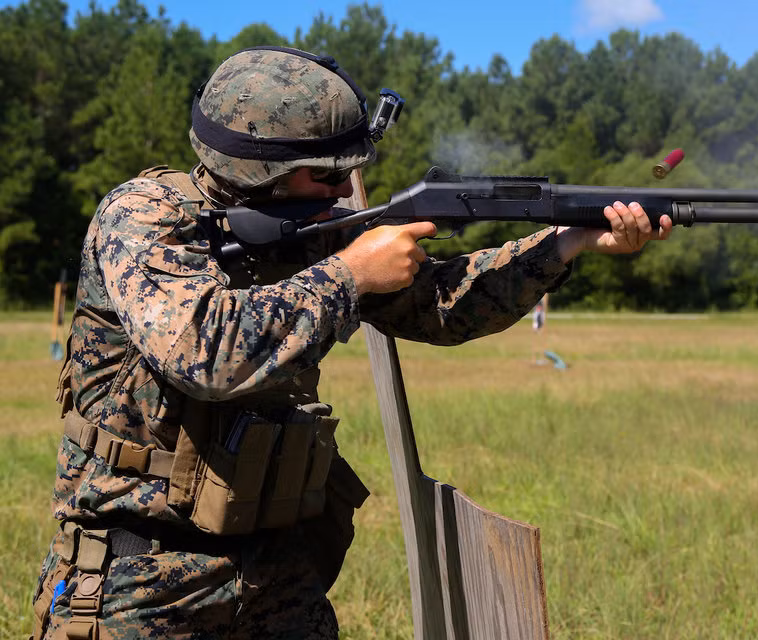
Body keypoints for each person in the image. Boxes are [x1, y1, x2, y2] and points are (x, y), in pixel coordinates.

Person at [29, 46, 672, 639]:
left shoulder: (311, 229)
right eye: (327, 176)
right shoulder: (144, 217)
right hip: (140, 582)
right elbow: (209, 354)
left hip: (277, 574)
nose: (343, 193)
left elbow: (444, 308)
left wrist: (567, 241)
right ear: (264, 169)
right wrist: (351, 274)